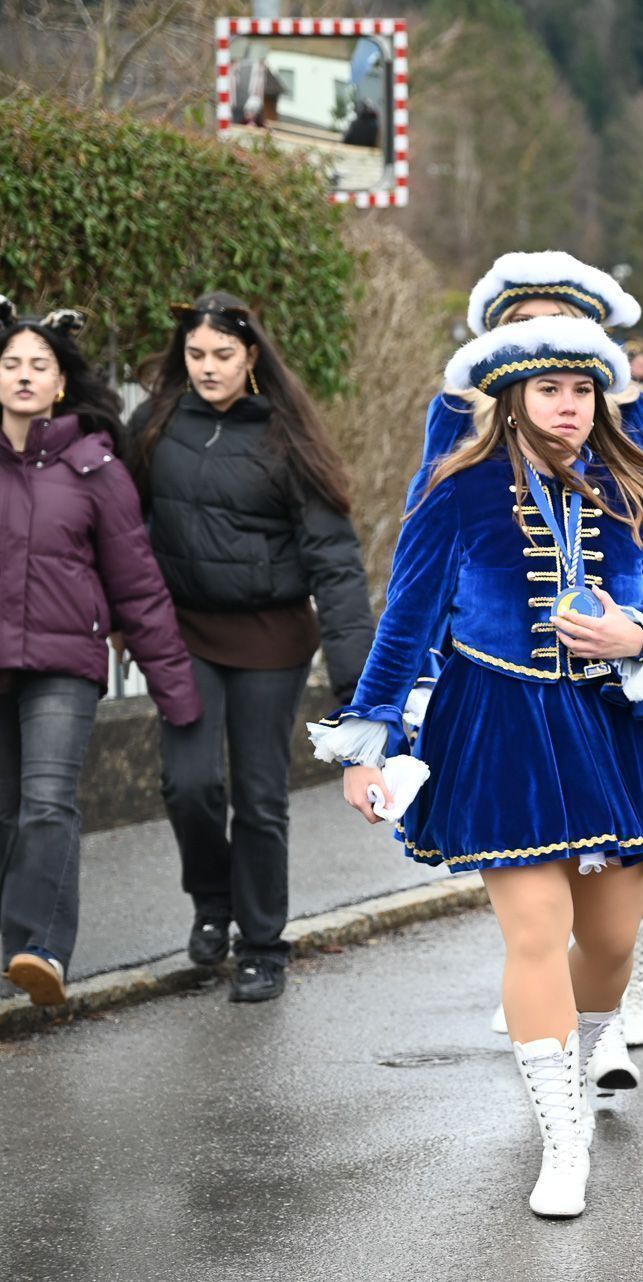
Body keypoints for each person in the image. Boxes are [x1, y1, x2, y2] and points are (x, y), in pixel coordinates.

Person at [310, 316, 643, 1218]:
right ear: (512, 398)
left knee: (608, 941)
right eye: (548, 391)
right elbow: (405, 621)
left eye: (582, 392)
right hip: (498, 724)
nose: (568, 408)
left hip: (613, 729)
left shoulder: (636, 489)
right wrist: (369, 741)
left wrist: (635, 636)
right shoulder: (456, 490)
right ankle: (565, 1140)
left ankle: (577, 1055)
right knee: (534, 931)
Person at [411, 252, 643, 1058]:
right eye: (523, 331)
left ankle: (629, 996)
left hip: (617, 667)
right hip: (503, 671)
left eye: (565, 330)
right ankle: (550, 997)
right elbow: (434, 535)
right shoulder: (460, 414)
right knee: (534, 865)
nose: (546, 345)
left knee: (633, 833)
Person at [122, 292, 373, 1003]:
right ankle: (212, 902)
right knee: (190, 783)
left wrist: (357, 682)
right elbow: (121, 526)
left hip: (272, 637)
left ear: (252, 357)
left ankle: (262, 944)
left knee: (259, 798)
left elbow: (335, 559)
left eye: (223, 355)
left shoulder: (287, 438)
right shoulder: (157, 423)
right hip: (184, 631)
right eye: (195, 355)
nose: (207, 368)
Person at [0, 301, 201, 1007]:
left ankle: (40, 949)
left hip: (64, 664)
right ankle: (8, 945)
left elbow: (138, 584)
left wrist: (175, 688)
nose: (24, 377)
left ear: (60, 383)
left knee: (48, 801)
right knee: (5, 812)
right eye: (11, 364)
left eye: (39, 366)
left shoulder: (94, 466)